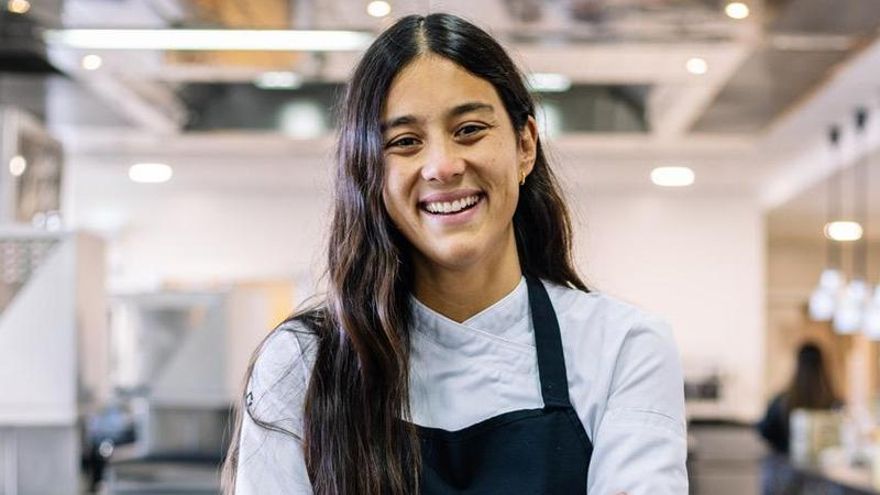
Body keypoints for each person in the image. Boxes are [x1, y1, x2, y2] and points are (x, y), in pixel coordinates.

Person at [222, 13, 687, 495]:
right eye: (405, 142)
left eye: (469, 129)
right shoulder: (304, 363)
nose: (442, 166)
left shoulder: (622, 347)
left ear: (525, 145)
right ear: (370, 171)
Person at [757, 342, 839, 454]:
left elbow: (765, 430)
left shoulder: (781, 401)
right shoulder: (833, 403)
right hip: (820, 462)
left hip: (784, 460)